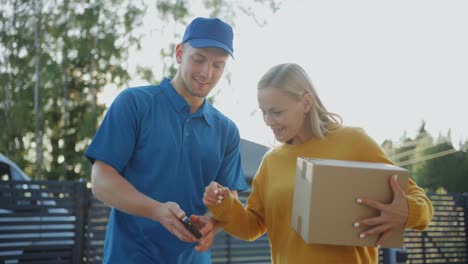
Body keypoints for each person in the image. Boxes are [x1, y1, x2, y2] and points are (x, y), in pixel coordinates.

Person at [203, 63, 434, 263]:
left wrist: (407, 213)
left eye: (276, 112)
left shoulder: (354, 142)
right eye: (264, 112)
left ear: (306, 102)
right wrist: (224, 204)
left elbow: (421, 204)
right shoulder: (271, 162)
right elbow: (251, 227)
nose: (267, 121)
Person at [85, 17, 248, 263]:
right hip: (130, 256)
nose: (207, 72)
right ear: (180, 53)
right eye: (199, 59)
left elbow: (231, 196)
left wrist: (213, 223)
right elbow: (100, 181)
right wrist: (157, 211)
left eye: (218, 65)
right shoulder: (134, 104)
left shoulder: (227, 131)